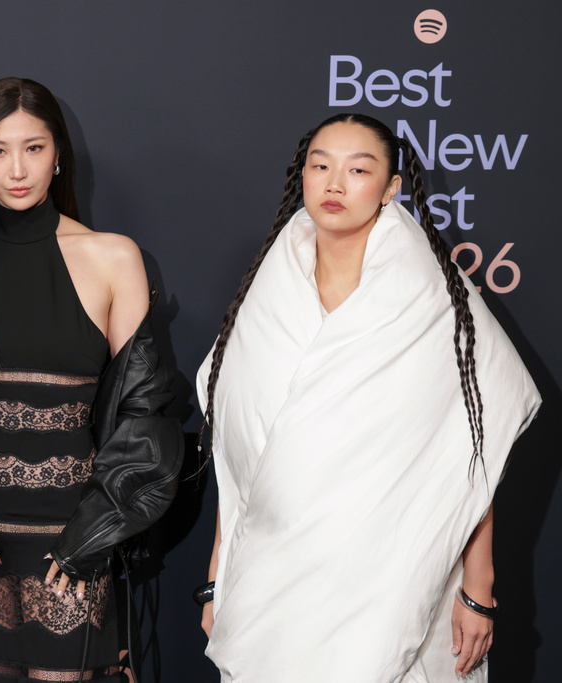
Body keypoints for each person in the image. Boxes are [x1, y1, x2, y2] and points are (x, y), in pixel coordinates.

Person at [196, 113, 540, 682]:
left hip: (395, 576)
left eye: (359, 170)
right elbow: (242, 455)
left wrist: (479, 588)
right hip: (273, 581)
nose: (335, 184)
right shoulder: (266, 295)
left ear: (391, 188)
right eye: (320, 166)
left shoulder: (432, 300)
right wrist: (218, 576)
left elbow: (472, 454)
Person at [0, 77, 183, 683]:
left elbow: (144, 417)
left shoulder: (113, 258)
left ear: (58, 155)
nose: (16, 170)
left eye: (33, 148)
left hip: (71, 549)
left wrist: (91, 538)